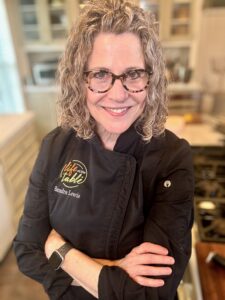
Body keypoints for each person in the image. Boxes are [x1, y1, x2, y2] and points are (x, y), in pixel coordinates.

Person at [13, 0, 194, 299]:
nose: (118, 94)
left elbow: (150, 293)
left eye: (133, 74)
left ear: (151, 78)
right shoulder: (56, 146)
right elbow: (26, 251)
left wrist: (59, 249)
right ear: (79, 78)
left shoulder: (172, 157)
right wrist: (114, 267)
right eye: (100, 74)